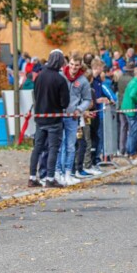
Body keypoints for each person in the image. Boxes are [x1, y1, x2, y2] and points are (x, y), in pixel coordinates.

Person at [28, 49, 69, 188]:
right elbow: (65, 103)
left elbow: (35, 95)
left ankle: (32, 177)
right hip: (54, 119)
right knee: (53, 149)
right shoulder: (60, 80)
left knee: (37, 148)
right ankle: (50, 178)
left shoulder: (39, 76)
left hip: (40, 118)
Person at [54, 53, 91, 186]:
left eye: (76, 65)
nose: (73, 68)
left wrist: (79, 109)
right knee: (58, 145)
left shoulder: (83, 81)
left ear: (80, 65)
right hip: (59, 115)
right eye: (72, 64)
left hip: (72, 116)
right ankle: (58, 172)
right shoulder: (60, 76)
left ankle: (68, 173)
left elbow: (87, 99)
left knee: (70, 145)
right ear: (68, 64)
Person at [121, 66, 137, 161]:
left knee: (131, 131)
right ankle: (132, 152)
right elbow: (132, 95)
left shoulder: (134, 81)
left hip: (128, 109)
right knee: (133, 132)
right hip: (132, 110)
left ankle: (130, 151)